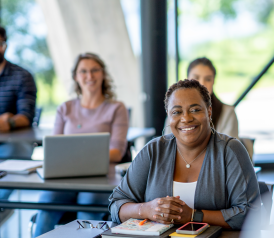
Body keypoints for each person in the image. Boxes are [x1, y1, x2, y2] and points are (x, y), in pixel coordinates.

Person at [109, 79, 260, 230]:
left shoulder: (231, 150)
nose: (186, 118)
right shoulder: (153, 150)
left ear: (209, 111)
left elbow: (250, 213)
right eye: (177, 112)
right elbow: (117, 204)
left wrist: (193, 216)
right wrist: (147, 209)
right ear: (169, 116)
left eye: (195, 110)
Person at [34, 53, 129, 237]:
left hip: (101, 179)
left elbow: (117, 153)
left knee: (88, 206)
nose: (89, 76)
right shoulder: (65, 108)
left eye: (95, 70)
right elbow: (55, 150)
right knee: (46, 204)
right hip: (66, 179)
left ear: (103, 74)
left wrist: (76, 158)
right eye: (83, 71)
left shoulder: (117, 108)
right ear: (76, 77)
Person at [166, 57, 239, 138]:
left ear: (213, 81)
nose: (202, 84)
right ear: (187, 79)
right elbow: (168, 145)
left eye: (208, 79)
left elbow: (230, 149)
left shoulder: (227, 112)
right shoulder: (174, 111)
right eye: (196, 78)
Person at [0, 25, 37, 159]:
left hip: (12, 143)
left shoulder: (22, 76)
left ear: (4, 46)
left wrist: (9, 122)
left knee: (14, 150)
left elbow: (26, 116)